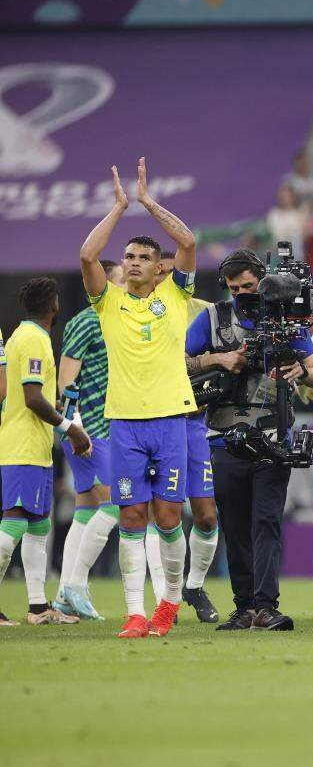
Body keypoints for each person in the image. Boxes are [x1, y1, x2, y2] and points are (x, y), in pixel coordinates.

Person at [80, 159, 199, 639]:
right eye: (128, 256)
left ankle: (168, 602)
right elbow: (88, 257)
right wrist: (119, 208)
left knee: (169, 517)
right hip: (124, 423)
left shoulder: (175, 296)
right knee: (130, 516)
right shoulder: (107, 299)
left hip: (170, 420)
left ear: (158, 268)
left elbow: (188, 242)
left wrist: (149, 203)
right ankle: (134, 612)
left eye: (143, 257)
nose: (132, 262)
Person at [185, 250, 313, 631]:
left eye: (248, 285)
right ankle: (244, 606)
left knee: (266, 520)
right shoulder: (212, 318)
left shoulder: (288, 317)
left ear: (263, 279)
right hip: (224, 436)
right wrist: (218, 359)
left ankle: (265, 605)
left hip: (273, 433)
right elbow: (179, 362)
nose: (242, 293)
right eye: (234, 288)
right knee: (235, 523)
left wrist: (300, 369)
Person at [0, 278, 92, 626]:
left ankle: (38, 608)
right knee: (14, 524)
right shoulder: (35, 339)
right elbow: (32, 398)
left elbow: (34, 395)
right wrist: (70, 428)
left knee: (38, 526)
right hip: (22, 446)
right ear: (54, 303)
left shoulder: (20, 337)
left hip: (33, 446)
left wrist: (66, 413)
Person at [52, 260, 125, 621]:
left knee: (85, 510)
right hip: (88, 429)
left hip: (108, 428)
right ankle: (76, 584)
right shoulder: (85, 321)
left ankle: (64, 595)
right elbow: (65, 381)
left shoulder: (120, 319)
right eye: (123, 279)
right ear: (104, 284)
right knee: (114, 505)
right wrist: (74, 426)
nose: (129, 284)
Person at [153, 250, 221, 624]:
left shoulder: (206, 312)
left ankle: (194, 586)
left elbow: (223, 357)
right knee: (166, 515)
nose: (165, 277)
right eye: (160, 271)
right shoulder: (144, 313)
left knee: (207, 516)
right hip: (158, 421)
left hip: (195, 423)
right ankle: (171, 595)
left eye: (171, 271)